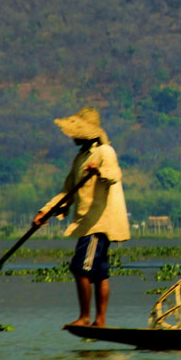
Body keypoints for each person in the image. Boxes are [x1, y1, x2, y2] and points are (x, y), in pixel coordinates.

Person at [34, 107, 130, 328]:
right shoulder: (80, 158)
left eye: (77, 133)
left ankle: (87, 318)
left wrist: (99, 172)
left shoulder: (105, 152)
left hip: (98, 223)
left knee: (80, 268)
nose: (74, 137)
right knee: (99, 273)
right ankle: (99, 321)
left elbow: (115, 175)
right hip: (89, 222)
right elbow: (68, 191)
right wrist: (45, 211)